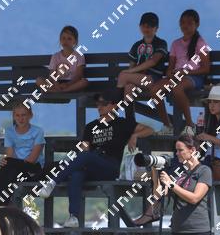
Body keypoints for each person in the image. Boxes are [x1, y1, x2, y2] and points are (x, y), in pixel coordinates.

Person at [37, 88, 154, 227]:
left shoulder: (122, 123)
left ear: (114, 105)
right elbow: (85, 148)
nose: (99, 107)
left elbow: (150, 129)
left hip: (110, 166)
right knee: (77, 173)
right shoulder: (91, 126)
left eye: (103, 104)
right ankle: (73, 216)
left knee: (86, 157)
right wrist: (82, 151)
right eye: (97, 104)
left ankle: (52, 182)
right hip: (92, 164)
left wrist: (135, 135)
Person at [149, 9, 210, 136]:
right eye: (182, 22)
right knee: (155, 90)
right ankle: (167, 125)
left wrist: (186, 72)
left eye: (189, 23)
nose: (185, 25)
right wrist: (170, 73)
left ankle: (190, 125)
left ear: (197, 24)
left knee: (177, 89)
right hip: (177, 76)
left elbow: (206, 68)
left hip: (194, 77)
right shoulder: (175, 44)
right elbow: (170, 67)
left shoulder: (200, 43)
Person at [0, 102, 45, 206]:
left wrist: (9, 162)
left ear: (30, 115)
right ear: (13, 116)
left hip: (33, 170)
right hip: (16, 169)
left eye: (24, 115)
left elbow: (32, 160)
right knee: (10, 170)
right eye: (17, 115)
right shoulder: (9, 132)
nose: (21, 119)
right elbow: (11, 155)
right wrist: (10, 162)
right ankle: (3, 206)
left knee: (8, 164)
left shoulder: (38, 132)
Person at [116, 12, 168, 103]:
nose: (146, 28)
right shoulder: (136, 45)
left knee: (123, 75)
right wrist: (130, 74)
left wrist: (129, 72)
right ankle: (129, 112)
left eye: (150, 26)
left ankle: (113, 105)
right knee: (129, 87)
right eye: (144, 25)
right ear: (140, 26)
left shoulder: (161, 43)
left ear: (156, 28)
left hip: (154, 80)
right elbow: (132, 65)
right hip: (138, 80)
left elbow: (153, 61)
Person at [36, 26, 88, 93]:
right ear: (60, 40)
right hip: (56, 83)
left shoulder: (79, 56)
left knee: (84, 82)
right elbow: (52, 75)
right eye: (63, 38)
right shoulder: (55, 56)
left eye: (69, 39)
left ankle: (58, 92)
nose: (65, 41)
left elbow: (79, 75)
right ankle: (58, 91)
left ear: (75, 41)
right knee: (39, 80)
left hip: (72, 83)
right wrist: (56, 84)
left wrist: (68, 84)